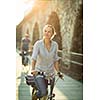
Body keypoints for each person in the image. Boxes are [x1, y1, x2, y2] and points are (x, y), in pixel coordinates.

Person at [31, 24, 63, 99]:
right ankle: (35, 95)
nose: (46, 33)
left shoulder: (55, 45)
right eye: (45, 31)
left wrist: (58, 72)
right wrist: (33, 69)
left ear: (52, 34)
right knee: (43, 92)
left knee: (49, 95)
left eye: (49, 32)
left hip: (50, 74)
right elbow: (34, 58)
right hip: (39, 72)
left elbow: (55, 59)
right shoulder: (38, 44)